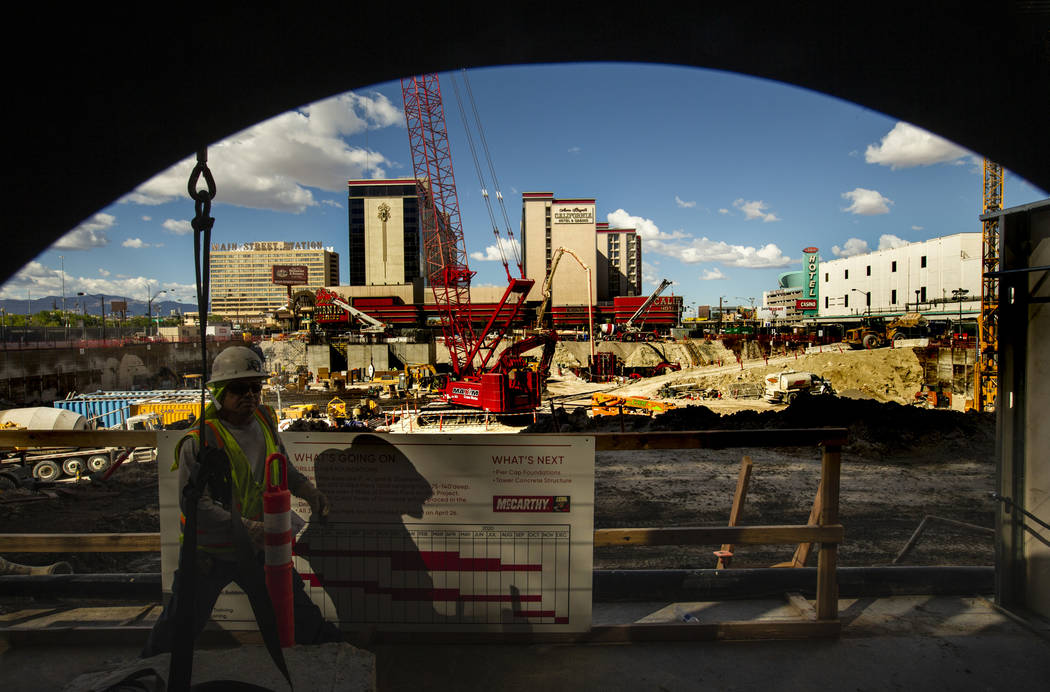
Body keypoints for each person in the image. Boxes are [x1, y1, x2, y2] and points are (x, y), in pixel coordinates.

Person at [142, 346, 343, 657]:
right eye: (239, 389)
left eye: (255, 387)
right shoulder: (199, 442)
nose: (250, 395)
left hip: (258, 547)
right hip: (210, 554)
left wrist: (308, 491)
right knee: (180, 624)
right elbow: (195, 506)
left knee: (297, 610)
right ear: (220, 393)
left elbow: (281, 466)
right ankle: (150, 670)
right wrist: (249, 527)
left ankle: (333, 658)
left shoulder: (264, 420)